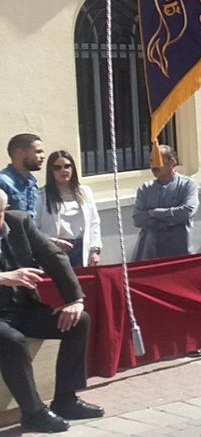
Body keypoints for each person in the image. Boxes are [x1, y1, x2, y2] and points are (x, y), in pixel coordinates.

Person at [0, 189, 103, 433]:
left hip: (21, 307)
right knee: (12, 341)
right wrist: (4, 277)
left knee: (79, 321)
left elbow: (54, 256)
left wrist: (74, 299)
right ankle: (33, 412)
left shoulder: (19, 222)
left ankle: (66, 399)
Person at [36, 151, 101, 268]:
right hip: (56, 249)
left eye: (67, 166)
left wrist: (95, 250)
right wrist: (53, 241)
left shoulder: (85, 192)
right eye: (57, 167)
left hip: (81, 248)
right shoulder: (41, 195)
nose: (63, 170)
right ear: (51, 171)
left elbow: (94, 222)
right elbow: (34, 228)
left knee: (82, 284)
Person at [132, 145, 198, 262]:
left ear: (172, 162)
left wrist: (155, 213)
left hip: (179, 254)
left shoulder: (188, 185)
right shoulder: (145, 189)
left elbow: (187, 212)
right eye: (151, 161)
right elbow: (138, 218)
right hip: (150, 256)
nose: (153, 166)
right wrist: (168, 223)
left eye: (158, 161)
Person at [0, 134, 45, 218]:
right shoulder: (3, 182)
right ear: (19, 153)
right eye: (38, 152)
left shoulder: (32, 183)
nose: (43, 156)